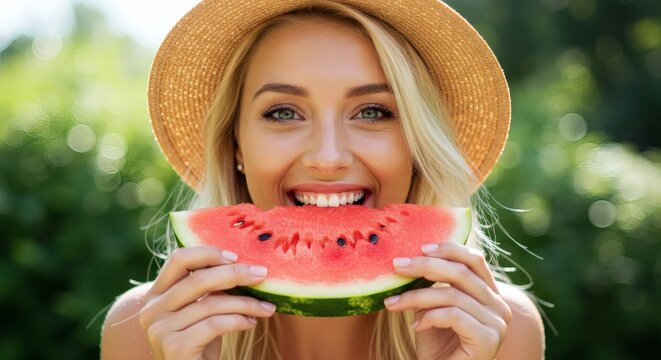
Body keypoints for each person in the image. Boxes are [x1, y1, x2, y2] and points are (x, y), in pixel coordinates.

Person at [101, 0, 545, 359]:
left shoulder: (500, 331)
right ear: (235, 144)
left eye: (373, 112)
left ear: (417, 145)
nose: (328, 158)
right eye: (283, 113)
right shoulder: (145, 331)